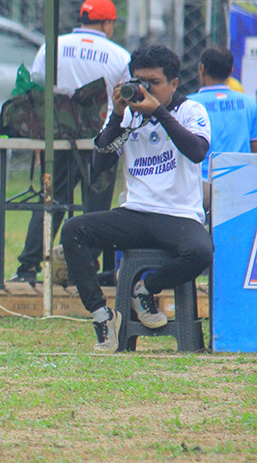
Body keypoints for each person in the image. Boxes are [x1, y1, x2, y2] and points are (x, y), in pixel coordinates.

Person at [61, 44, 212, 353]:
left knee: (201, 252)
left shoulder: (190, 110)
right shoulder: (126, 115)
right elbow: (99, 165)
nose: (144, 90)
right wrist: (117, 115)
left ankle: (146, 289)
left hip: (179, 214)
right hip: (136, 211)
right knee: (73, 230)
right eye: (138, 82)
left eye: (153, 83)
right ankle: (103, 316)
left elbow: (197, 151)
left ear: (173, 83)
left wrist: (158, 112)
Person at [10, 0, 131, 284]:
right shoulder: (118, 55)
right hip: (102, 142)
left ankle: (28, 268)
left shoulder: (52, 46)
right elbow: (126, 99)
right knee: (97, 208)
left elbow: (37, 87)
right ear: (107, 23)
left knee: (52, 200)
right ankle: (88, 268)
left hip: (60, 140)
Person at [188, 46, 257, 210]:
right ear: (231, 70)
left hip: (199, 185)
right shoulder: (250, 104)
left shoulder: (189, 104)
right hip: (239, 185)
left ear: (202, 69)